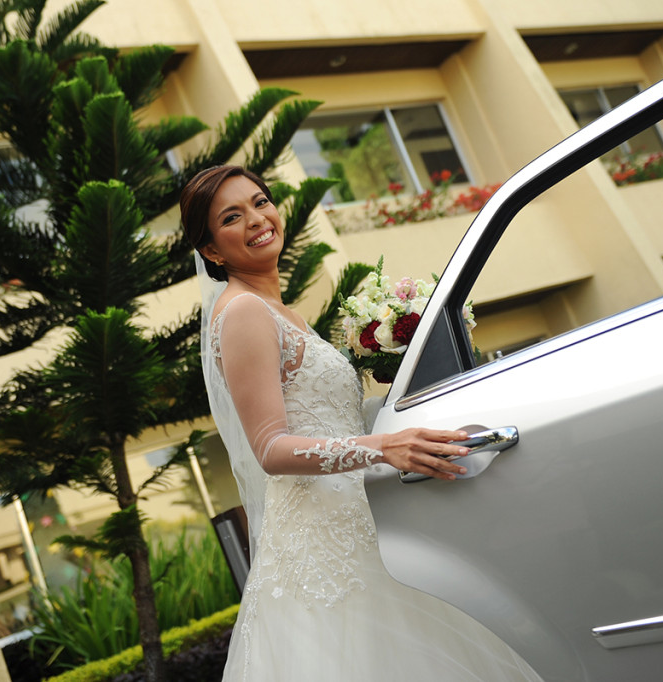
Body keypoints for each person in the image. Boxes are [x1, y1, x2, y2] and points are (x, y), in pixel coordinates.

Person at [180, 165, 543, 681]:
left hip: (363, 524)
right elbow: (270, 448)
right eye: (232, 217)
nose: (258, 219)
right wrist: (384, 447)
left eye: (261, 202)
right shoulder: (241, 314)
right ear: (213, 250)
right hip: (323, 547)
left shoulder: (282, 313)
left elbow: (329, 419)